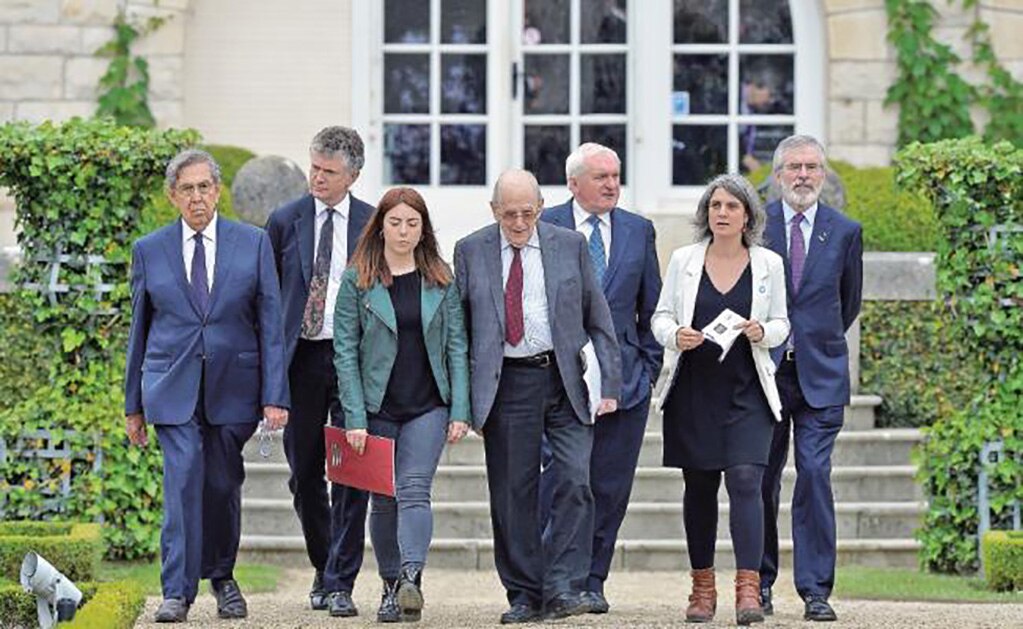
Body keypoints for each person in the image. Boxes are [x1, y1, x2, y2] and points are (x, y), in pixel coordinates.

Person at [124, 149, 288, 623]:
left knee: (221, 483)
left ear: (217, 191)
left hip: (233, 386)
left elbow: (269, 323)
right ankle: (176, 591)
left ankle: (222, 578)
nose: (197, 197)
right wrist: (133, 405)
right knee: (182, 480)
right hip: (170, 388)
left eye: (204, 187)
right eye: (187, 189)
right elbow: (140, 329)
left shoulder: (252, 243)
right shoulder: (149, 250)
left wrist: (275, 395)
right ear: (172, 196)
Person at [453, 169, 622, 624]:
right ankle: (524, 593)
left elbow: (598, 318)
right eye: (510, 214)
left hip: (565, 378)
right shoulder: (471, 251)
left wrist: (608, 385)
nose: (519, 222)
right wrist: (462, 401)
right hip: (507, 382)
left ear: (541, 208)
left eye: (528, 212)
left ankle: (564, 585)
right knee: (513, 493)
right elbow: (460, 332)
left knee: (575, 480)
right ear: (494, 212)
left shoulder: (569, 245)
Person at [651, 174, 789, 626]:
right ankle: (702, 588)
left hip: (748, 390)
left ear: (747, 214)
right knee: (701, 489)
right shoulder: (684, 260)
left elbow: (784, 323)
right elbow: (661, 317)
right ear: (706, 214)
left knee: (748, 481)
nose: (722, 213)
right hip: (694, 391)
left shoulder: (768, 263)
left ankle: (749, 589)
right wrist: (676, 334)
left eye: (731, 206)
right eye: (715, 206)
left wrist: (763, 331)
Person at [333, 187, 471, 623]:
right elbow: (345, 353)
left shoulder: (439, 277)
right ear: (380, 226)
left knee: (413, 490)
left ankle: (412, 578)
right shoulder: (357, 279)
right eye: (395, 222)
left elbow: (455, 346)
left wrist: (460, 409)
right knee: (384, 500)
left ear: (423, 228)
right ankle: (390, 587)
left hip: (427, 406)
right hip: (376, 409)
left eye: (413, 223)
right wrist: (353, 417)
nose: (404, 231)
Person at [538, 142, 663, 614]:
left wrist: (646, 368)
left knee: (610, 487)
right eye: (601, 177)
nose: (612, 184)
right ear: (574, 184)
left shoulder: (638, 230)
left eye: (616, 175)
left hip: (624, 382)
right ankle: (550, 577)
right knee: (561, 483)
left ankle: (592, 579)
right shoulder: (545, 224)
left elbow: (650, 307)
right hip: (558, 383)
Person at [264, 126, 374, 617]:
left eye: (328, 172)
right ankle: (323, 563)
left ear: (352, 175)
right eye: (313, 167)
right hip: (302, 360)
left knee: (352, 472)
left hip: (353, 359)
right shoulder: (284, 221)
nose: (317, 178)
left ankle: (340, 580)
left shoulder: (373, 223)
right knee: (305, 473)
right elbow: (267, 301)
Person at [759, 135, 863, 622]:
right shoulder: (756, 229)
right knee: (760, 479)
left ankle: (816, 590)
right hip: (765, 374)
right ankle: (757, 584)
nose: (803, 175)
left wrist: (812, 341)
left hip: (820, 374)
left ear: (822, 174)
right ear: (778, 175)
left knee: (815, 476)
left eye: (812, 167)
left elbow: (848, 303)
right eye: (794, 167)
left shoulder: (845, 232)